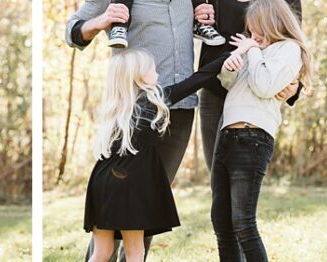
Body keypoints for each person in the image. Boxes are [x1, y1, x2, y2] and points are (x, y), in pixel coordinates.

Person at [66, 0, 215, 261]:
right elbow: (72, 31)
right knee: (116, 207)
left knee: (147, 208)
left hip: (179, 110)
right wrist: (101, 21)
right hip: (132, 113)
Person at [85, 50, 228, 262]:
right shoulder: (151, 101)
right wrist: (228, 55)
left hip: (101, 183)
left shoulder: (114, 110)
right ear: (139, 76)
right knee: (135, 252)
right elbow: (198, 79)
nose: (157, 72)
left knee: (102, 253)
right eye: (152, 68)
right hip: (128, 186)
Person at [211, 0, 312, 262]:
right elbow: (230, 85)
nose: (252, 34)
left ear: (273, 23)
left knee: (243, 222)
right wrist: (232, 64)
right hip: (227, 136)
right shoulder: (254, 51)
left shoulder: (289, 49)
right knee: (221, 222)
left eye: (257, 27)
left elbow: (264, 86)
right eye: (250, 28)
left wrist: (252, 51)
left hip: (252, 138)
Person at [199, 0, 303, 171]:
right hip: (213, 89)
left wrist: (294, 86)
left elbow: (292, 47)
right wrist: (198, 10)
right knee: (216, 177)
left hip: (251, 97)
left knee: (240, 179)